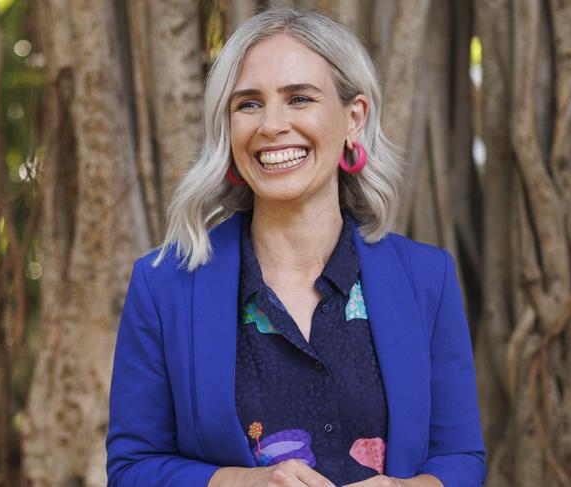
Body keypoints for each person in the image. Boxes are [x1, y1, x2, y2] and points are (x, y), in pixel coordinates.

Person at [106, 8, 485, 487]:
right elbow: (132, 469)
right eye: (248, 104)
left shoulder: (426, 278)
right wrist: (244, 483)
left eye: (299, 98)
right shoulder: (164, 285)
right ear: (227, 127)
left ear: (354, 117)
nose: (272, 125)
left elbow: (460, 457)